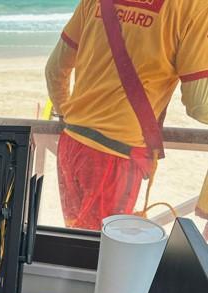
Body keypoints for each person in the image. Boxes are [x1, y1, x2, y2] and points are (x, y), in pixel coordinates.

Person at [45, 0, 208, 231]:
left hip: (71, 143)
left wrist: (65, 114)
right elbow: (199, 104)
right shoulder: (194, 6)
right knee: (101, 253)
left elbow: (55, 68)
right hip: (117, 156)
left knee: (77, 242)